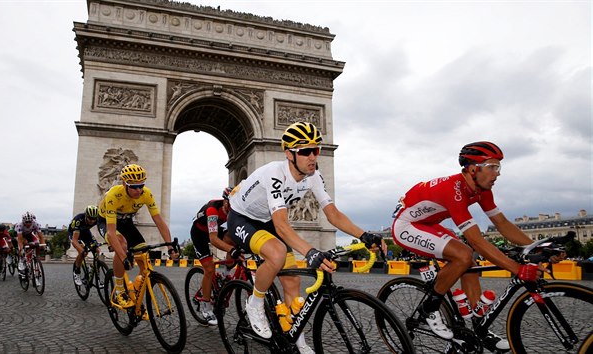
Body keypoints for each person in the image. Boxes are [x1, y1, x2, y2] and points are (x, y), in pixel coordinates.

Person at [227, 121, 381, 354]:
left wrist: (364, 234)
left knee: (293, 282)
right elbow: (281, 226)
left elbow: (333, 214)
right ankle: (255, 303)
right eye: (306, 151)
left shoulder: (313, 176)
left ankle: (298, 340)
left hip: (266, 219)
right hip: (242, 217)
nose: (313, 156)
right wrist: (311, 252)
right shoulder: (274, 174)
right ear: (289, 154)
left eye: (316, 150)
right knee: (277, 252)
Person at [391, 141, 555, 351]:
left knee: (470, 261)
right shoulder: (455, 189)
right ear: (472, 169)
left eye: (499, 167)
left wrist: (537, 246)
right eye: (492, 167)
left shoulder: (482, 190)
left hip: (428, 224)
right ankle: (428, 309)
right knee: (463, 255)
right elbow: (476, 240)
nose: (498, 173)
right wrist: (516, 269)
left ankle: (480, 328)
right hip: (406, 226)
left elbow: (502, 224)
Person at [98, 163, 175, 308]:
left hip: (126, 221)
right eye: (133, 187)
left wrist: (170, 246)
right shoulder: (114, 195)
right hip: (107, 222)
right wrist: (123, 257)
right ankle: (119, 290)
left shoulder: (146, 194)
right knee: (121, 245)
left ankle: (136, 294)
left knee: (144, 255)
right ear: (124, 184)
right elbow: (111, 232)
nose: (138, 190)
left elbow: (159, 221)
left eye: (141, 185)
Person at [190, 187, 241, 325]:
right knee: (210, 269)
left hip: (215, 229)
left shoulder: (235, 209)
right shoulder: (213, 209)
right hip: (199, 233)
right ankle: (206, 307)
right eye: (232, 204)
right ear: (225, 202)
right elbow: (213, 239)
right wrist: (232, 250)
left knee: (234, 240)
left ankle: (224, 276)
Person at [68, 205, 100, 286]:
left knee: (97, 250)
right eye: (90, 218)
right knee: (83, 252)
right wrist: (81, 250)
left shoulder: (96, 218)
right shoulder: (78, 220)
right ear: (86, 216)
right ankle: (77, 271)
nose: (92, 221)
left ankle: (90, 270)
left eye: (94, 219)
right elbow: (75, 240)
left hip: (85, 232)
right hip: (74, 233)